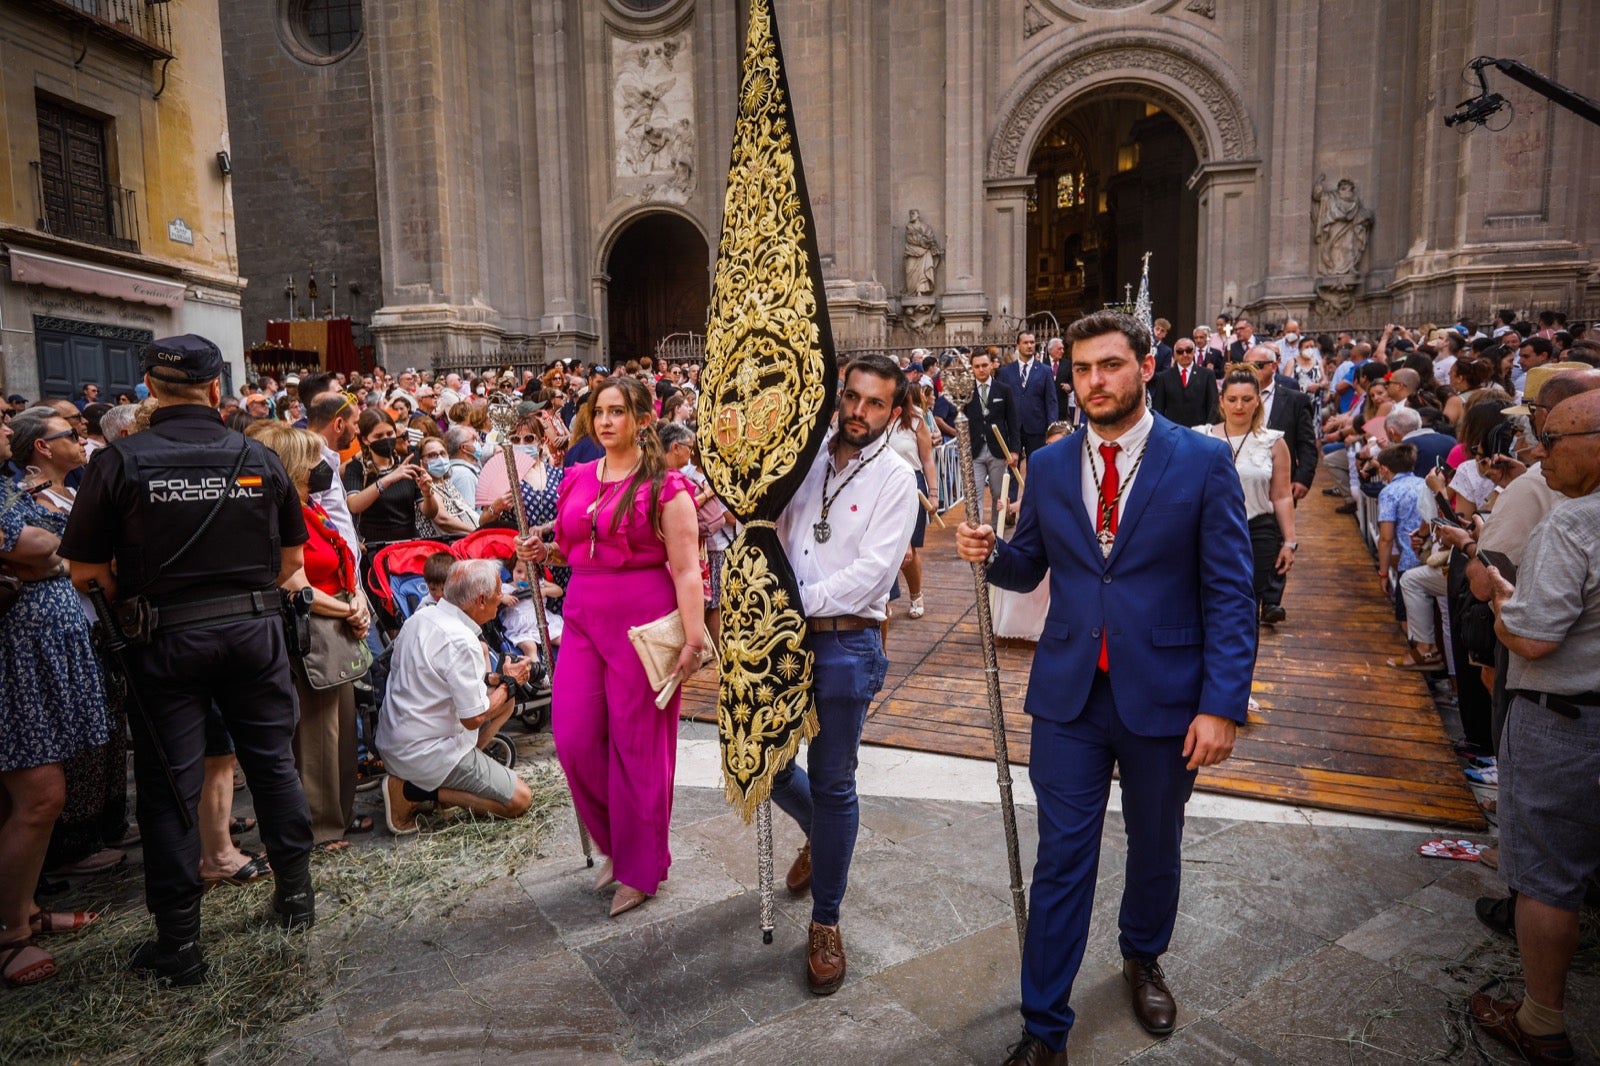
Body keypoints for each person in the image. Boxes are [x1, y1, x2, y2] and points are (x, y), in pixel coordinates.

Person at [955, 311, 1255, 1065]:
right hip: (1070, 695)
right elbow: (1030, 566)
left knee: (1157, 842)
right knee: (1063, 855)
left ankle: (1142, 955)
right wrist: (989, 553)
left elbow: (1230, 592)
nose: (1096, 381)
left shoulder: (1201, 461)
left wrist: (1221, 705)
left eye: (1111, 365)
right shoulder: (1051, 466)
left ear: (1144, 368)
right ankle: (1044, 1025)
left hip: (1167, 692)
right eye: (1083, 369)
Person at [60, 334, 316, 986]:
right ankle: (296, 899)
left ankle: (180, 943)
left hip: (164, 641)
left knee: (172, 789)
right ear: (214, 389)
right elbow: (292, 564)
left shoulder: (119, 461)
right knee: (273, 765)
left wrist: (140, 600)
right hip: (255, 634)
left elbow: (85, 571)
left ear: (148, 387)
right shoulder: (258, 455)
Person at [761, 354, 917, 995]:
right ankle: (818, 837)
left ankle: (826, 921)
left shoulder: (898, 479)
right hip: (778, 640)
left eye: (875, 403)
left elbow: (872, 578)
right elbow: (763, 522)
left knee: (833, 783)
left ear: (894, 412)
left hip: (845, 647)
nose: (859, 411)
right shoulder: (801, 459)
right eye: (852, 397)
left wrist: (793, 600)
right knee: (761, 762)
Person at [525, 375, 705, 918]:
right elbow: (575, 548)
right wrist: (544, 549)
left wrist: (695, 637)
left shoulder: (667, 487)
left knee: (639, 751)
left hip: (642, 629)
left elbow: (687, 568)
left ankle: (640, 865)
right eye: (599, 412)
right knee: (574, 738)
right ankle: (613, 842)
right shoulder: (577, 476)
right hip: (582, 619)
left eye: (617, 412)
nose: (605, 422)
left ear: (643, 420)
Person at [1472, 389, 1600, 1065]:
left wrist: (1500, 601)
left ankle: (1542, 1020)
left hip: (1567, 718)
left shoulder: (1572, 525)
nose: (1537, 454)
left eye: (1552, 442)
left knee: (1547, 873)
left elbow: (1533, 639)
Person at [0, 421, 110, 988]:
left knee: (44, 792)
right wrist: (54, 558)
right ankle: (10, 933)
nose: (3, 424)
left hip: (45, 651)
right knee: (39, 795)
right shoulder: (13, 491)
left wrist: (46, 559)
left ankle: (25, 909)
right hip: (16, 657)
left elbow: (42, 552)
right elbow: (27, 546)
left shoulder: (8, 489)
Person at [246, 422, 373, 850]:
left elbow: (340, 556)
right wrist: (347, 608)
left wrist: (354, 599)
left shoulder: (310, 505)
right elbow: (293, 582)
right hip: (311, 628)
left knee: (341, 726)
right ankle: (319, 826)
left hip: (336, 621)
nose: (322, 467)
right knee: (319, 734)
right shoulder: (282, 513)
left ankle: (339, 813)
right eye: (313, 459)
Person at [378, 558, 535, 834]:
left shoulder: (420, 617)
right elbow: (473, 718)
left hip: (397, 740)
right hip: (425, 752)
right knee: (520, 800)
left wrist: (497, 684)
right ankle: (413, 790)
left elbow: (436, 682)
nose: (503, 597)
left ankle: (430, 783)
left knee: (505, 702)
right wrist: (510, 683)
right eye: (499, 592)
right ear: (481, 600)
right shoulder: (462, 640)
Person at [1199, 366, 1297, 624]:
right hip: (1211, 531)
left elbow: (1282, 495)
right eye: (1232, 399)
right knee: (1209, 602)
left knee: (1246, 606)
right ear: (1221, 402)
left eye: (1246, 399)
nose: (1239, 406)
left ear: (1257, 401)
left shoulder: (1273, 442)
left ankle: (1243, 661)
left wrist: (1289, 542)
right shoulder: (1202, 437)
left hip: (1257, 531)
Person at [343, 408, 439, 552]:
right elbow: (354, 505)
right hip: (375, 549)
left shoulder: (407, 463)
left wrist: (427, 493)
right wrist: (388, 479)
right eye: (378, 436)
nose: (386, 439)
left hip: (409, 546)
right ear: (365, 439)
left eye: (390, 433)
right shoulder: (357, 468)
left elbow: (429, 512)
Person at [886, 377, 939, 621]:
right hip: (882, 486)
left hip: (911, 486)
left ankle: (916, 594)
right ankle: (884, 599)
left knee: (909, 550)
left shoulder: (916, 420)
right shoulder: (878, 417)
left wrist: (934, 492)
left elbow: (927, 459)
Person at [1244, 346, 1318, 501]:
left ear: (1274, 366)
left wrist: (1303, 478)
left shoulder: (1295, 400)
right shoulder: (1232, 398)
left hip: (1280, 480)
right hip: (1241, 479)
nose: (1251, 371)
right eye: (1246, 366)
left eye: (1257, 365)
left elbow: (1306, 443)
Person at [962, 348, 1020, 529]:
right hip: (975, 451)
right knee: (974, 494)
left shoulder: (1004, 390)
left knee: (998, 494)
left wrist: (1015, 450)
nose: (981, 369)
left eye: (984, 365)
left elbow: (1013, 421)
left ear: (992, 365)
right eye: (977, 366)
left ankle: (997, 533)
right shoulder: (965, 392)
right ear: (971, 368)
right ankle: (976, 532)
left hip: (998, 450)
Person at [999, 331, 1059, 458]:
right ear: (1017, 345)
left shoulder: (1045, 371)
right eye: (1025, 342)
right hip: (1013, 429)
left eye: (1032, 342)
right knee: (1012, 470)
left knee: (1038, 467)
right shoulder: (1006, 372)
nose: (1029, 345)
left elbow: (1051, 401)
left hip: (1037, 428)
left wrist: (1052, 428)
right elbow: (1001, 402)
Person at [415, 436, 478, 539]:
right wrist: (477, 532)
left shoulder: (448, 485)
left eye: (443, 454)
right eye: (432, 455)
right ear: (421, 461)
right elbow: (442, 519)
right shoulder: (426, 487)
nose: (440, 459)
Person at [1147, 339, 1220, 428]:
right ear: (1174, 354)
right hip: (1173, 431)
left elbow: (1213, 404)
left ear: (1194, 352)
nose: (1185, 354)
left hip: (1200, 431)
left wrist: (1209, 427)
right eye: (1180, 351)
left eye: (1188, 350)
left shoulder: (1207, 374)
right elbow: (1159, 408)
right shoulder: (1163, 377)